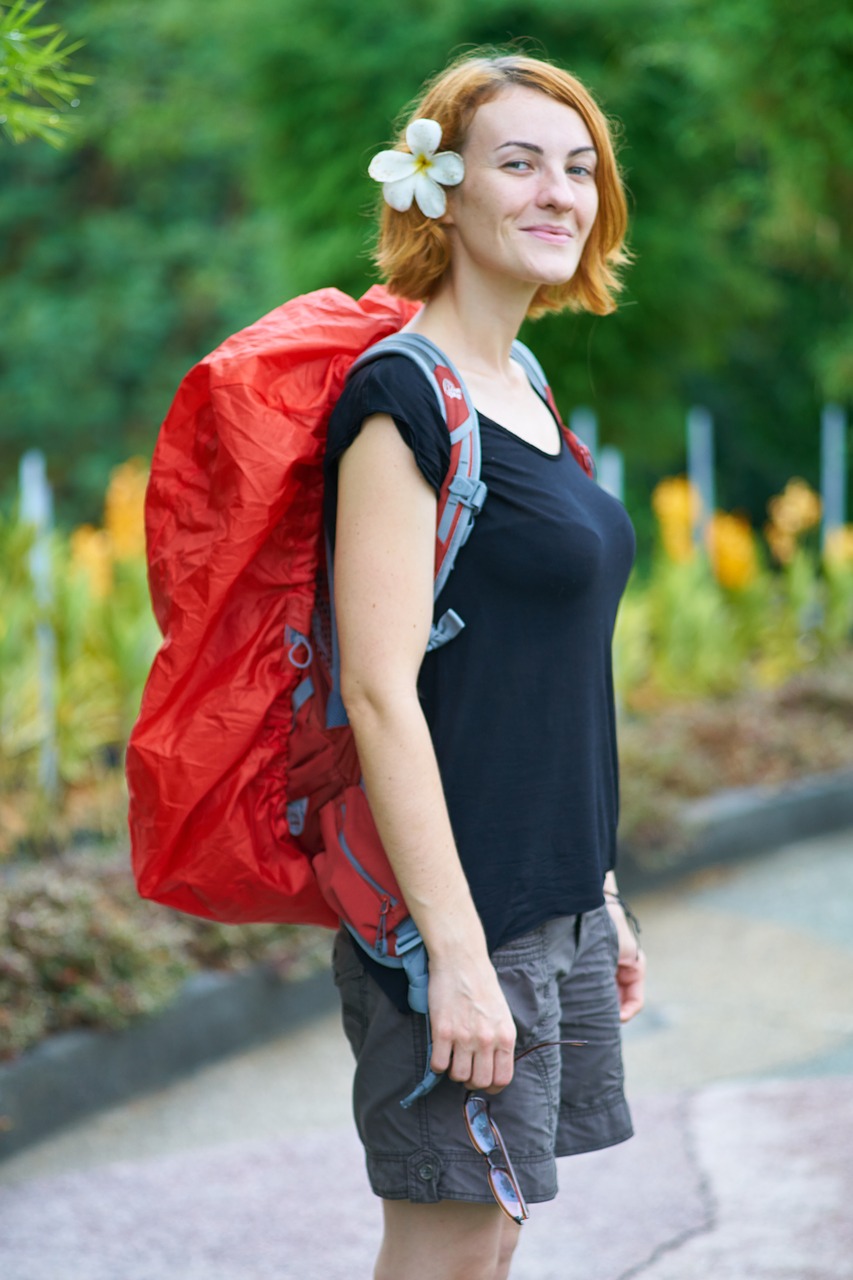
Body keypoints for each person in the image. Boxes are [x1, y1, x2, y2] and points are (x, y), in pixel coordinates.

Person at [324, 50, 646, 1280]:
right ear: (441, 193)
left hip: (546, 895)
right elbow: (376, 688)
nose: (557, 192)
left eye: (578, 168)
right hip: (451, 912)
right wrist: (453, 950)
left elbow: (538, 669)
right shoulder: (399, 397)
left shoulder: (519, 385)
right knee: (450, 1242)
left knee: (492, 1230)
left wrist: (596, 889)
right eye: (519, 163)